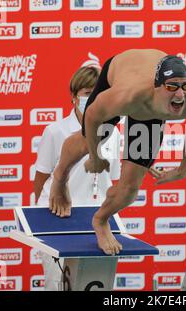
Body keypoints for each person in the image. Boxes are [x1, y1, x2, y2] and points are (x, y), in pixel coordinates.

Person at [49, 49, 186, 255]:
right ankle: (60, 178)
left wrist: (183, 168)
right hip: (121, 72)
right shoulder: (125, 95)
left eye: (184, 87)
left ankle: (100, 220)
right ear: (157, 87)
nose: (180, 95)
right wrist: (95, 156)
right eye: (172, 87)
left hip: (149, 110)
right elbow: (91, 116)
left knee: (129, 189)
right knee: (87, 140)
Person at [34, 65, 121, 290]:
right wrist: (45, 220)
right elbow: (41, 179)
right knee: (58, 285)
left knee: (99, 283)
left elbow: (111, 180)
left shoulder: (114, 133)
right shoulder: (55, 130)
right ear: (73, 97)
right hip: (58, 220)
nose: (92, 98)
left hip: (98, 221)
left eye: (98, 93)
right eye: (86, 93)